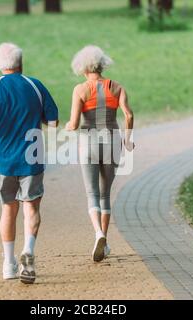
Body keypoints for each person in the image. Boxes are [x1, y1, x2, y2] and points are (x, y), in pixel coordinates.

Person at [0, 43, 59, 284]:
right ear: (21, 63)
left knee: (8, 208)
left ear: (0, 64)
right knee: (32, 207)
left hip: (2, 159)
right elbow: (53, 119)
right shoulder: (35, 85)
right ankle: (28, 250)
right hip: (32, 156)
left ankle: (8, 264)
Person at [66, 45, 135, 262]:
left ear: (83, 67)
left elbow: (75, 123)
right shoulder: (117, 87)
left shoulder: (80, 90)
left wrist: (67, 126)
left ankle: (98, 234)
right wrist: (128, 138)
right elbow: (129, 115)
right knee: (105, 194)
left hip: (89, 143)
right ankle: (104, 241)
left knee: (91, 194)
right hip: (113, 142)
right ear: (102, 64)